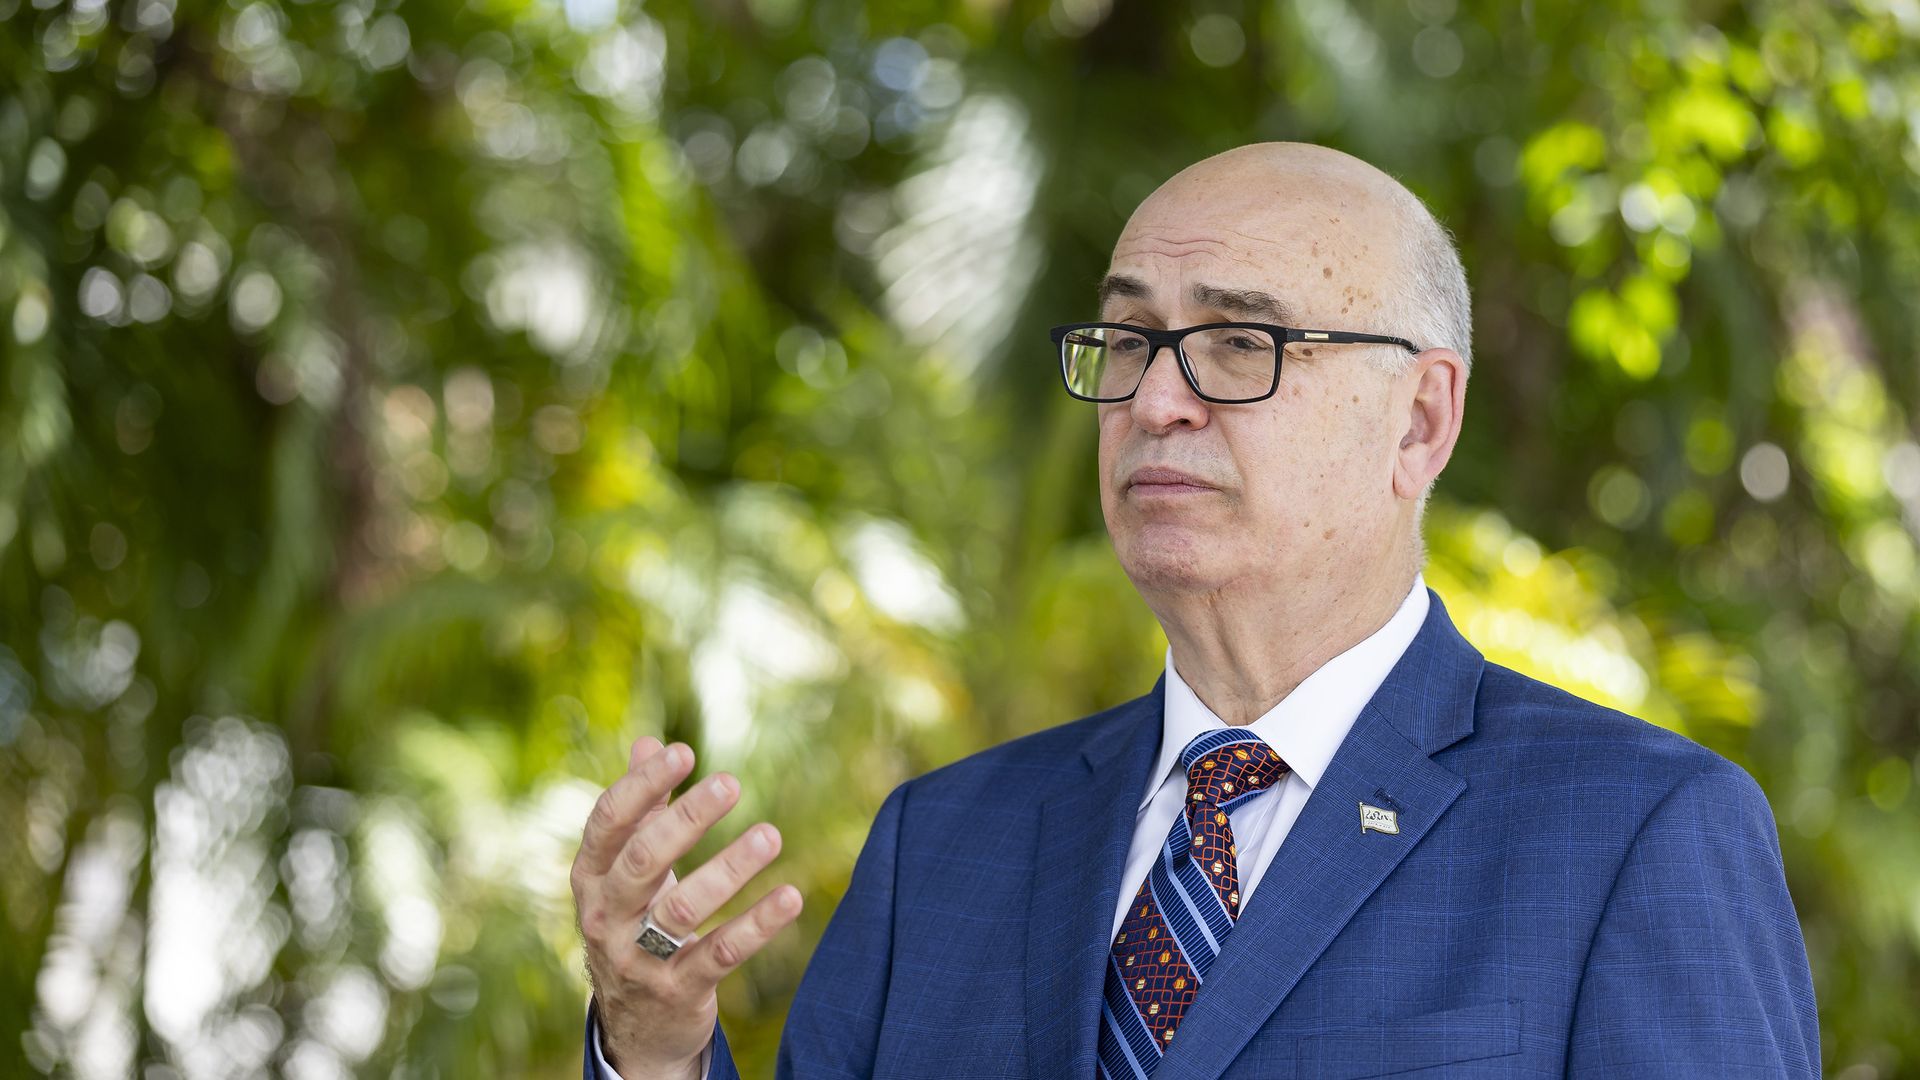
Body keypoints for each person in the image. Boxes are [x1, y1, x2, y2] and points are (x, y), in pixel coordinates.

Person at [569, 142, 1821, 1079]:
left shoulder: (1634, 834)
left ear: (1421, 421)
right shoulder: (939, 847)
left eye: (1239, 344)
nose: (1158, 400)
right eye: (1128, 341)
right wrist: (655, 1046)